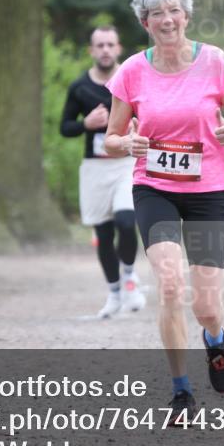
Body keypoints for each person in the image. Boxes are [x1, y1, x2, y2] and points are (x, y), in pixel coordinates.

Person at [103, 0, 224, 424]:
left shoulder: (215, 62)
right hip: (154, 188)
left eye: (174, 11)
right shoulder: (131, 71)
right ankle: (181, 391)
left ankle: (215, 339)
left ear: (186, 16)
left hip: (209, 190)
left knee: (205, 305)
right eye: (156, 14)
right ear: (145, 22)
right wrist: (125, 145)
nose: (166, 20)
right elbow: (112, 137)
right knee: (170, 285)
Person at [60, 26, 146, 318]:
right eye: (100, 45)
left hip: (126, 164)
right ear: (92, 51)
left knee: (125, 220)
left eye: (110, 44)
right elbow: (65, 128)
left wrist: (137, 126)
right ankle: (114, 294)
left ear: (119, 48)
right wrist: (86, 124)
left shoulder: (132, 80)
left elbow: (152, 114)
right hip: (95, 167)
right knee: (104, 233)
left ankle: (130, 277)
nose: (106, 50)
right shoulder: (80, 87)